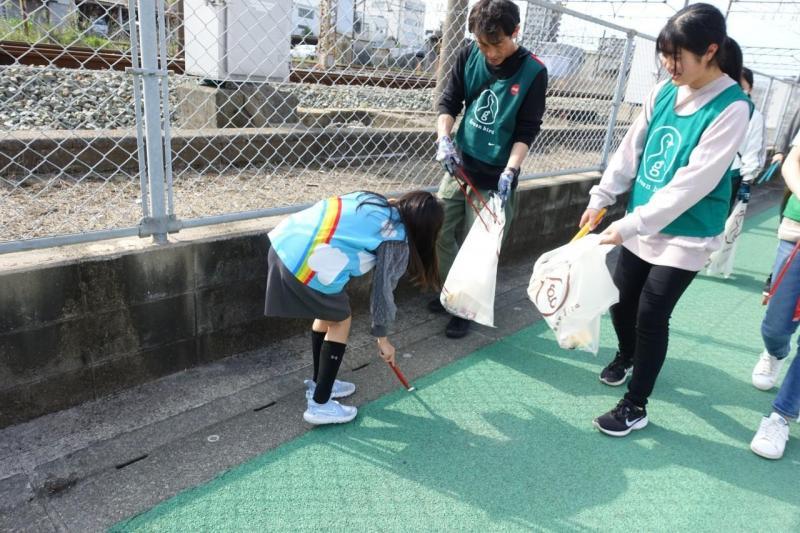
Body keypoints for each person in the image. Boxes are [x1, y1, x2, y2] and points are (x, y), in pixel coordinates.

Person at [579, 3, 753, 437]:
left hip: (687, 233)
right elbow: (630, 150)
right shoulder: (663, 91)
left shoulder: (733, 107)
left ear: (711, 50)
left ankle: (635, 405)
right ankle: (628, 355)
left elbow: (693, 183)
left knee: (652, 315)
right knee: (622, 300)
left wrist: (629, 225)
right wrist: (602, 197)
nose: (668, 64)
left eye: (678, 56)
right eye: (664, 53)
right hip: (641, 220)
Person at [265, 191, 443, 425]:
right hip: (306, 260)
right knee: (341, 319)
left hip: (284, 243)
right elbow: (382, 292)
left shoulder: (375, 202)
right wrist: (383, 339)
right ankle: (320, 405)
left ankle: (321, 384)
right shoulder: (396, 238)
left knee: (328, 315)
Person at [431, 0, 548, 338]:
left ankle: (464, 305)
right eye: (483, 43)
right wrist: (444, 139)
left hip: (497, 177)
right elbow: (449, 101)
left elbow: (527, 129)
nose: (490, 52)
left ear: (516, 32)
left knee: (479, 248)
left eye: (496, 43)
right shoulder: (470, 55)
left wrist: (511, 171)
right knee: (439, 231)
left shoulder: (533, 72)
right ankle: (452, 292)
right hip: (461, 165)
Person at [749, 137, 800, 460]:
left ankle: (781, 416)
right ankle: (775, 353)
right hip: (796, 231)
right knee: (775, 325)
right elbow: (792, 162)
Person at [729, 65, 766, 209]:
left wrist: (746, 181)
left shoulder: (754, 116)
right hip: (705, 168)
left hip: (732, 173)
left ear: (750, 88)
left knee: (719, 218)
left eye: (742, 86)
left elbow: (754, 148)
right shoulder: (715, 108)